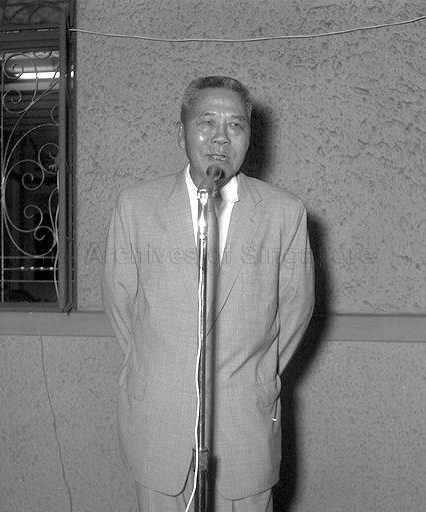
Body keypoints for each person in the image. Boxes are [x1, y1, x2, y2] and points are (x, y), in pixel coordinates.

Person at [102, 76, 315, 512]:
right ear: (181, 132)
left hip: (244, 429)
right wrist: (168, 369)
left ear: (250, 137)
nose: (221, 137)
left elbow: (295, 313)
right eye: (207, 122)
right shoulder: (135, 207)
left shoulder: (284, 213)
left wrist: (251, 376)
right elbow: (122, 308)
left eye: (236, 125)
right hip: (159, 426)